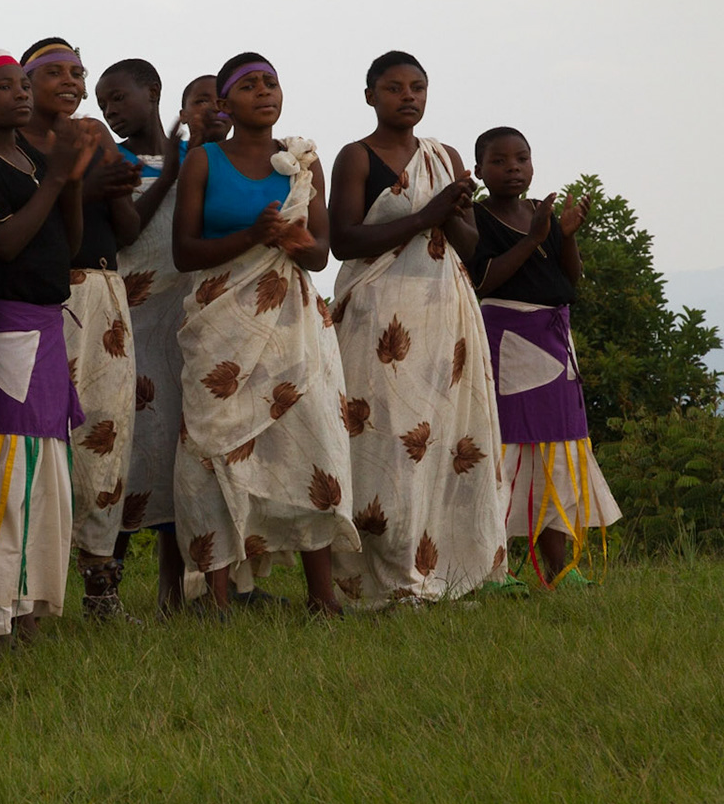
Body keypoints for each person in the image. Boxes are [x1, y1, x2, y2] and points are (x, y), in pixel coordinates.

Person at [171, 52, 357, 615]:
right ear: (225, 105)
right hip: (219, 323)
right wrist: (253, 236)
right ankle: (220, 597)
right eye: (248, 86)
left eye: (270, 83)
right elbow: (184, 251)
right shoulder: (203, 162)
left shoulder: (304, 165)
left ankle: (322, 597)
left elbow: (321, 254)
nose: (263, 92)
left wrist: (295, 243)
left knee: (309, 442)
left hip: (290, 327)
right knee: (213, 448)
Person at [327, 52, 509, 604]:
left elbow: (471, 246)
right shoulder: (355, 157)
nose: (408, 97)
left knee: (442, 439)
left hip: (441, 312)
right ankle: (384, 574)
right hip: (379, 313)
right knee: (385, 438)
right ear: (370, 96)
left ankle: (446, 569)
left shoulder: (446, 157)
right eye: (394, 88)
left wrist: (452, 210)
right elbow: (345, 242)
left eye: (418, 87)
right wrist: (426, 215)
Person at [0, 51, 92, 647]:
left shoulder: (35, 158)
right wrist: (56, 179)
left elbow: (71, 244)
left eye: (21, 85)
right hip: (5, 329)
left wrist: (69, 177)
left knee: (44, 480)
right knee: (3, 476)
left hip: (46, 326)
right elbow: (1, 247)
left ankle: (28, 606)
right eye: (2, 86)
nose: (20, 94)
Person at [18, 38, 145, 618]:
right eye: (52, 73)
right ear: (24, 82)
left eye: (76, 72)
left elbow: (126, 227)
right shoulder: (12, 143)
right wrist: (79, 183)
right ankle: (30, 584)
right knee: (42, 439)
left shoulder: (94, 139)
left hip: (105, 294)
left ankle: (100, 583)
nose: (67, 81)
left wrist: (107, 163)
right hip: (46, 298)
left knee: (105, 435)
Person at [472, 127, 621, 586]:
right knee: (508, 452)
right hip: (509, 341)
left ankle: (558, 566)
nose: (513, 168)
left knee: (556, 451)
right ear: (479, 171)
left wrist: (566, 235)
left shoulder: (543, 215)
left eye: (522, 158)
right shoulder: (477, 219)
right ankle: (493, 566)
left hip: (556, 341)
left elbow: (567, 280)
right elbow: (486, 280)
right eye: (499, 161)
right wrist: (534, 237)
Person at [96, 60, 206, 613]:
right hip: (128, 317)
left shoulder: (199, 160)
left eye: (118, 97)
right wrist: (166, 176)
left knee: (176, 450)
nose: (110, 110)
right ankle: (106, 580)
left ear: (154, 92)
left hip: (181, 317)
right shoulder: (111, 161)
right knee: (127, 443)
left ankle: (172, 588)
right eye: (103, 101)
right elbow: (127, 229)